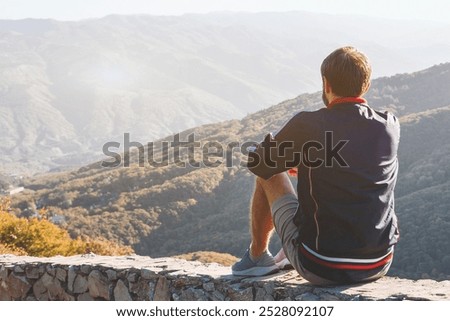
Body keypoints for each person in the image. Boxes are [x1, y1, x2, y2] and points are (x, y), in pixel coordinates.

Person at [232, 46, 400, 285]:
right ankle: (287, 252)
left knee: (270, 173)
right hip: (379, 262)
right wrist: (310, 165)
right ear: (367, 85)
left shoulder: (309, 125)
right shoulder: (389, 125)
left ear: (326, 84)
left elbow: (260, 164)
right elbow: (355, 164)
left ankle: (258, 257)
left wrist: (288, 156)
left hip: (321, 266)